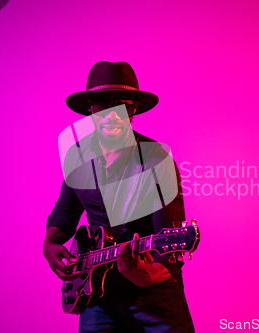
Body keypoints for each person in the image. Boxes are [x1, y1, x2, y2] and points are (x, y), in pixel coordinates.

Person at [43, 61, 196, 333]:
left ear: (133, 109)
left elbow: (170, 253)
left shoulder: (156, 161)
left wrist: (146, 274)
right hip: (98, 298)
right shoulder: (77, 157)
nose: (113, 115)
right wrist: (50, 244)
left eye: (122, 106)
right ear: (90, 108)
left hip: (155, 300)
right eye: (104, 105)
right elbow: (64, 214)